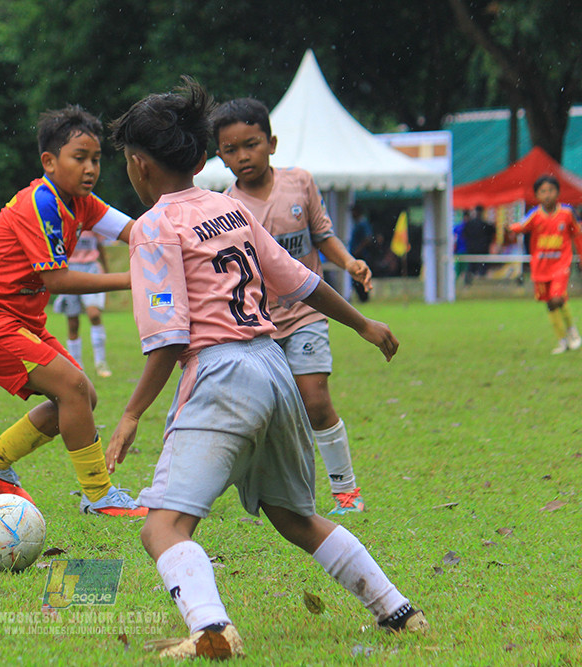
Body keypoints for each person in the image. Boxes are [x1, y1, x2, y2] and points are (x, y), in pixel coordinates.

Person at [105, 78, 426, 660]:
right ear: (202, 159)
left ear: (137, 165)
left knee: (162, 529)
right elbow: (302, 282)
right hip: (274, 367)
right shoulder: (227, 209)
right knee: (293, 515)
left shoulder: (154, 227)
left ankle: (211, 629)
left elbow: (170, 339)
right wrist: (363, 325)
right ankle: (398, 611)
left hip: (221, 375)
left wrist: (130, 415)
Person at [0, 104, 146, 517]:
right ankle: (99, 495)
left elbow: (135, 232)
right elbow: (57, 281)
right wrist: (134, 278)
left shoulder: (82, 202)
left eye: (96, 159)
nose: (90, 168)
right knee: (72, 388)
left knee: (82, 396)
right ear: (49, 162)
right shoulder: (41, 201)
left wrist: (179, 237)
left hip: (15, 320)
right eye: (79, 158)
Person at [211, 97, 372, 515]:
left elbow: (322, 236)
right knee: (260, 415)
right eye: (231, 149)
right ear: (219, 156)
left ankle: (346, 492)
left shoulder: (300, 182)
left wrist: (349, 261)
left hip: (305, 314)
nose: (243, 156)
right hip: (256, 325)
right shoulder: (225, 208)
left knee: (315, 400)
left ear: (272, 143)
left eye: (252, 143)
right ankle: (275, 493)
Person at [507, 175, 582, 354]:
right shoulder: (535, 215)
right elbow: (522, 226)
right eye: (543, 191)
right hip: (541, 267)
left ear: (557, 192)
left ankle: (572, 331)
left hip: (560, 265)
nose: (547, 195)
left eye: (550, 190)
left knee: (556, 297)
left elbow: (577, 234)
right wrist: (510, 228)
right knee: (550, 303)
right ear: (537, 195)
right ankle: (562, 340)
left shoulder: (566, 214)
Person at [52, 230, 114, 377]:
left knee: (94, 315)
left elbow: (100, 248)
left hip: (91, 269)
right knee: (73, 323)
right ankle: (77, 366)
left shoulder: (92, 224)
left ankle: (101, 362)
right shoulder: (63, 223)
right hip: (68, 270)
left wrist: (106, 271)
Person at [463, 204, 495, 283]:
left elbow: (465, 234)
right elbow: (492, 232)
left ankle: (468, 283)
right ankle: (481, 282)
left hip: (472, 248)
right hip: (482, 248)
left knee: (471, 267)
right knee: (482, 267)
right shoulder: (485, 224)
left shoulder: (469, 224)